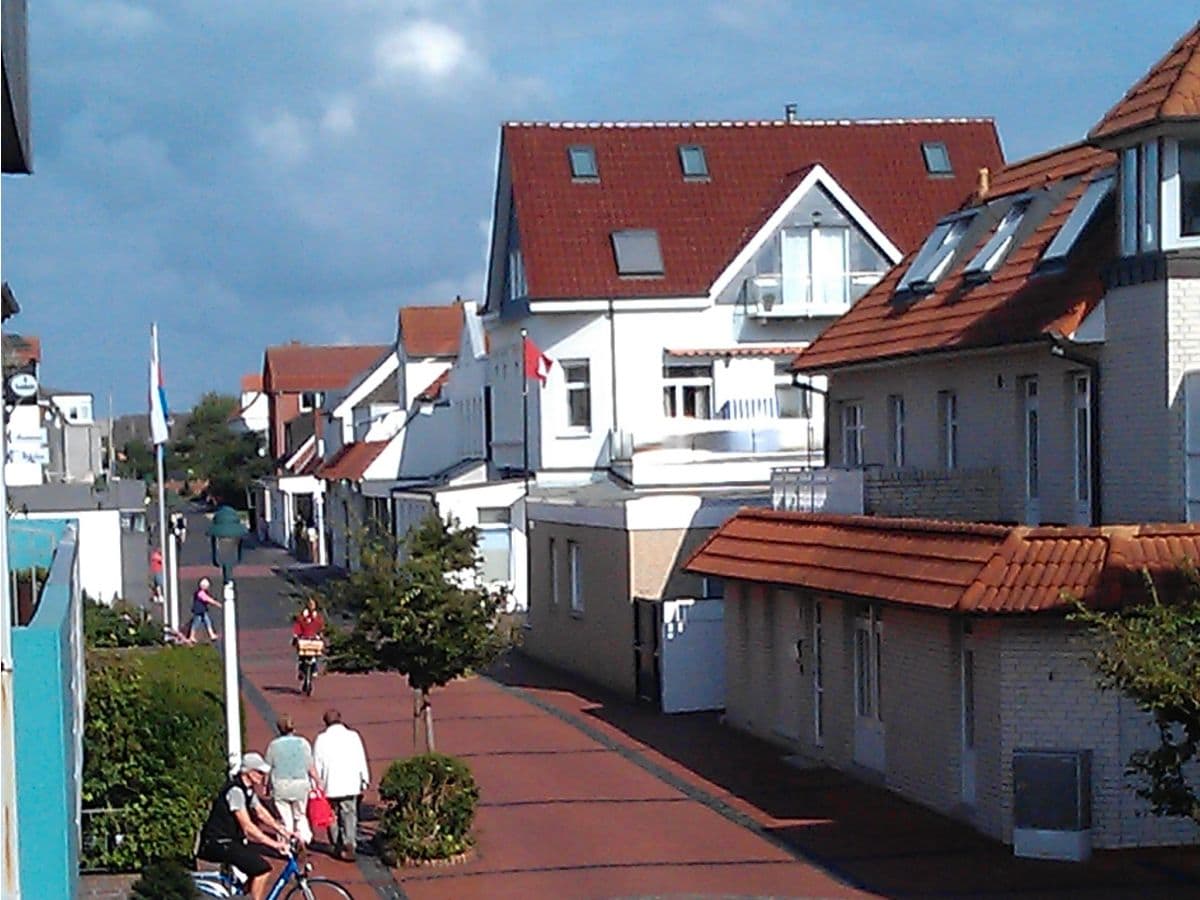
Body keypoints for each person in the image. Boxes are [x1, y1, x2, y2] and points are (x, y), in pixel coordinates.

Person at [197, 753, 292, 900]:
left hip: (230, 841)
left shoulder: (248, 790)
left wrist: (283, 830)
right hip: (219, 842)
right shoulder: (235, 792)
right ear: (249, 772)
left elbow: (260, 812)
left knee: (252, 869)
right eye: (260, 773)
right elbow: (248, 827)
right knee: (262, 869)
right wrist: (275, 845)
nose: (263, 776)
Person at [312, 708, 369, 861]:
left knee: (331, 815)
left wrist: (315, 784)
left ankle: (337, 844)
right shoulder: (353, 736)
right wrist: (364, 779)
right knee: (349, 813)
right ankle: (349, 841)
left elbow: (317, 764)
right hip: (350, 783)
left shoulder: (321, 739)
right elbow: (361, 758)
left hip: (330, 784)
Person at [264, 714, 322, 846]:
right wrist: (318, 781)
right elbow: (310, 767)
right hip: (300, 784)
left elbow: (268, 768)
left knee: (285, 817)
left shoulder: (273, 746)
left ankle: (287, 842)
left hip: (280, 784)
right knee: (300, 815)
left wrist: (265, 786)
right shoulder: (303, 743)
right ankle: (304, 839)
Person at [186, 576, 222, 641]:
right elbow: (208, 599)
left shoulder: (202, 593)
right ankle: (192, 636)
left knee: (207, 622)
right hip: (199, 611)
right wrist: (217, 604)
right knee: (196, 623)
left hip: (202, 611)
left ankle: (211, 635)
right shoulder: (200, 593)